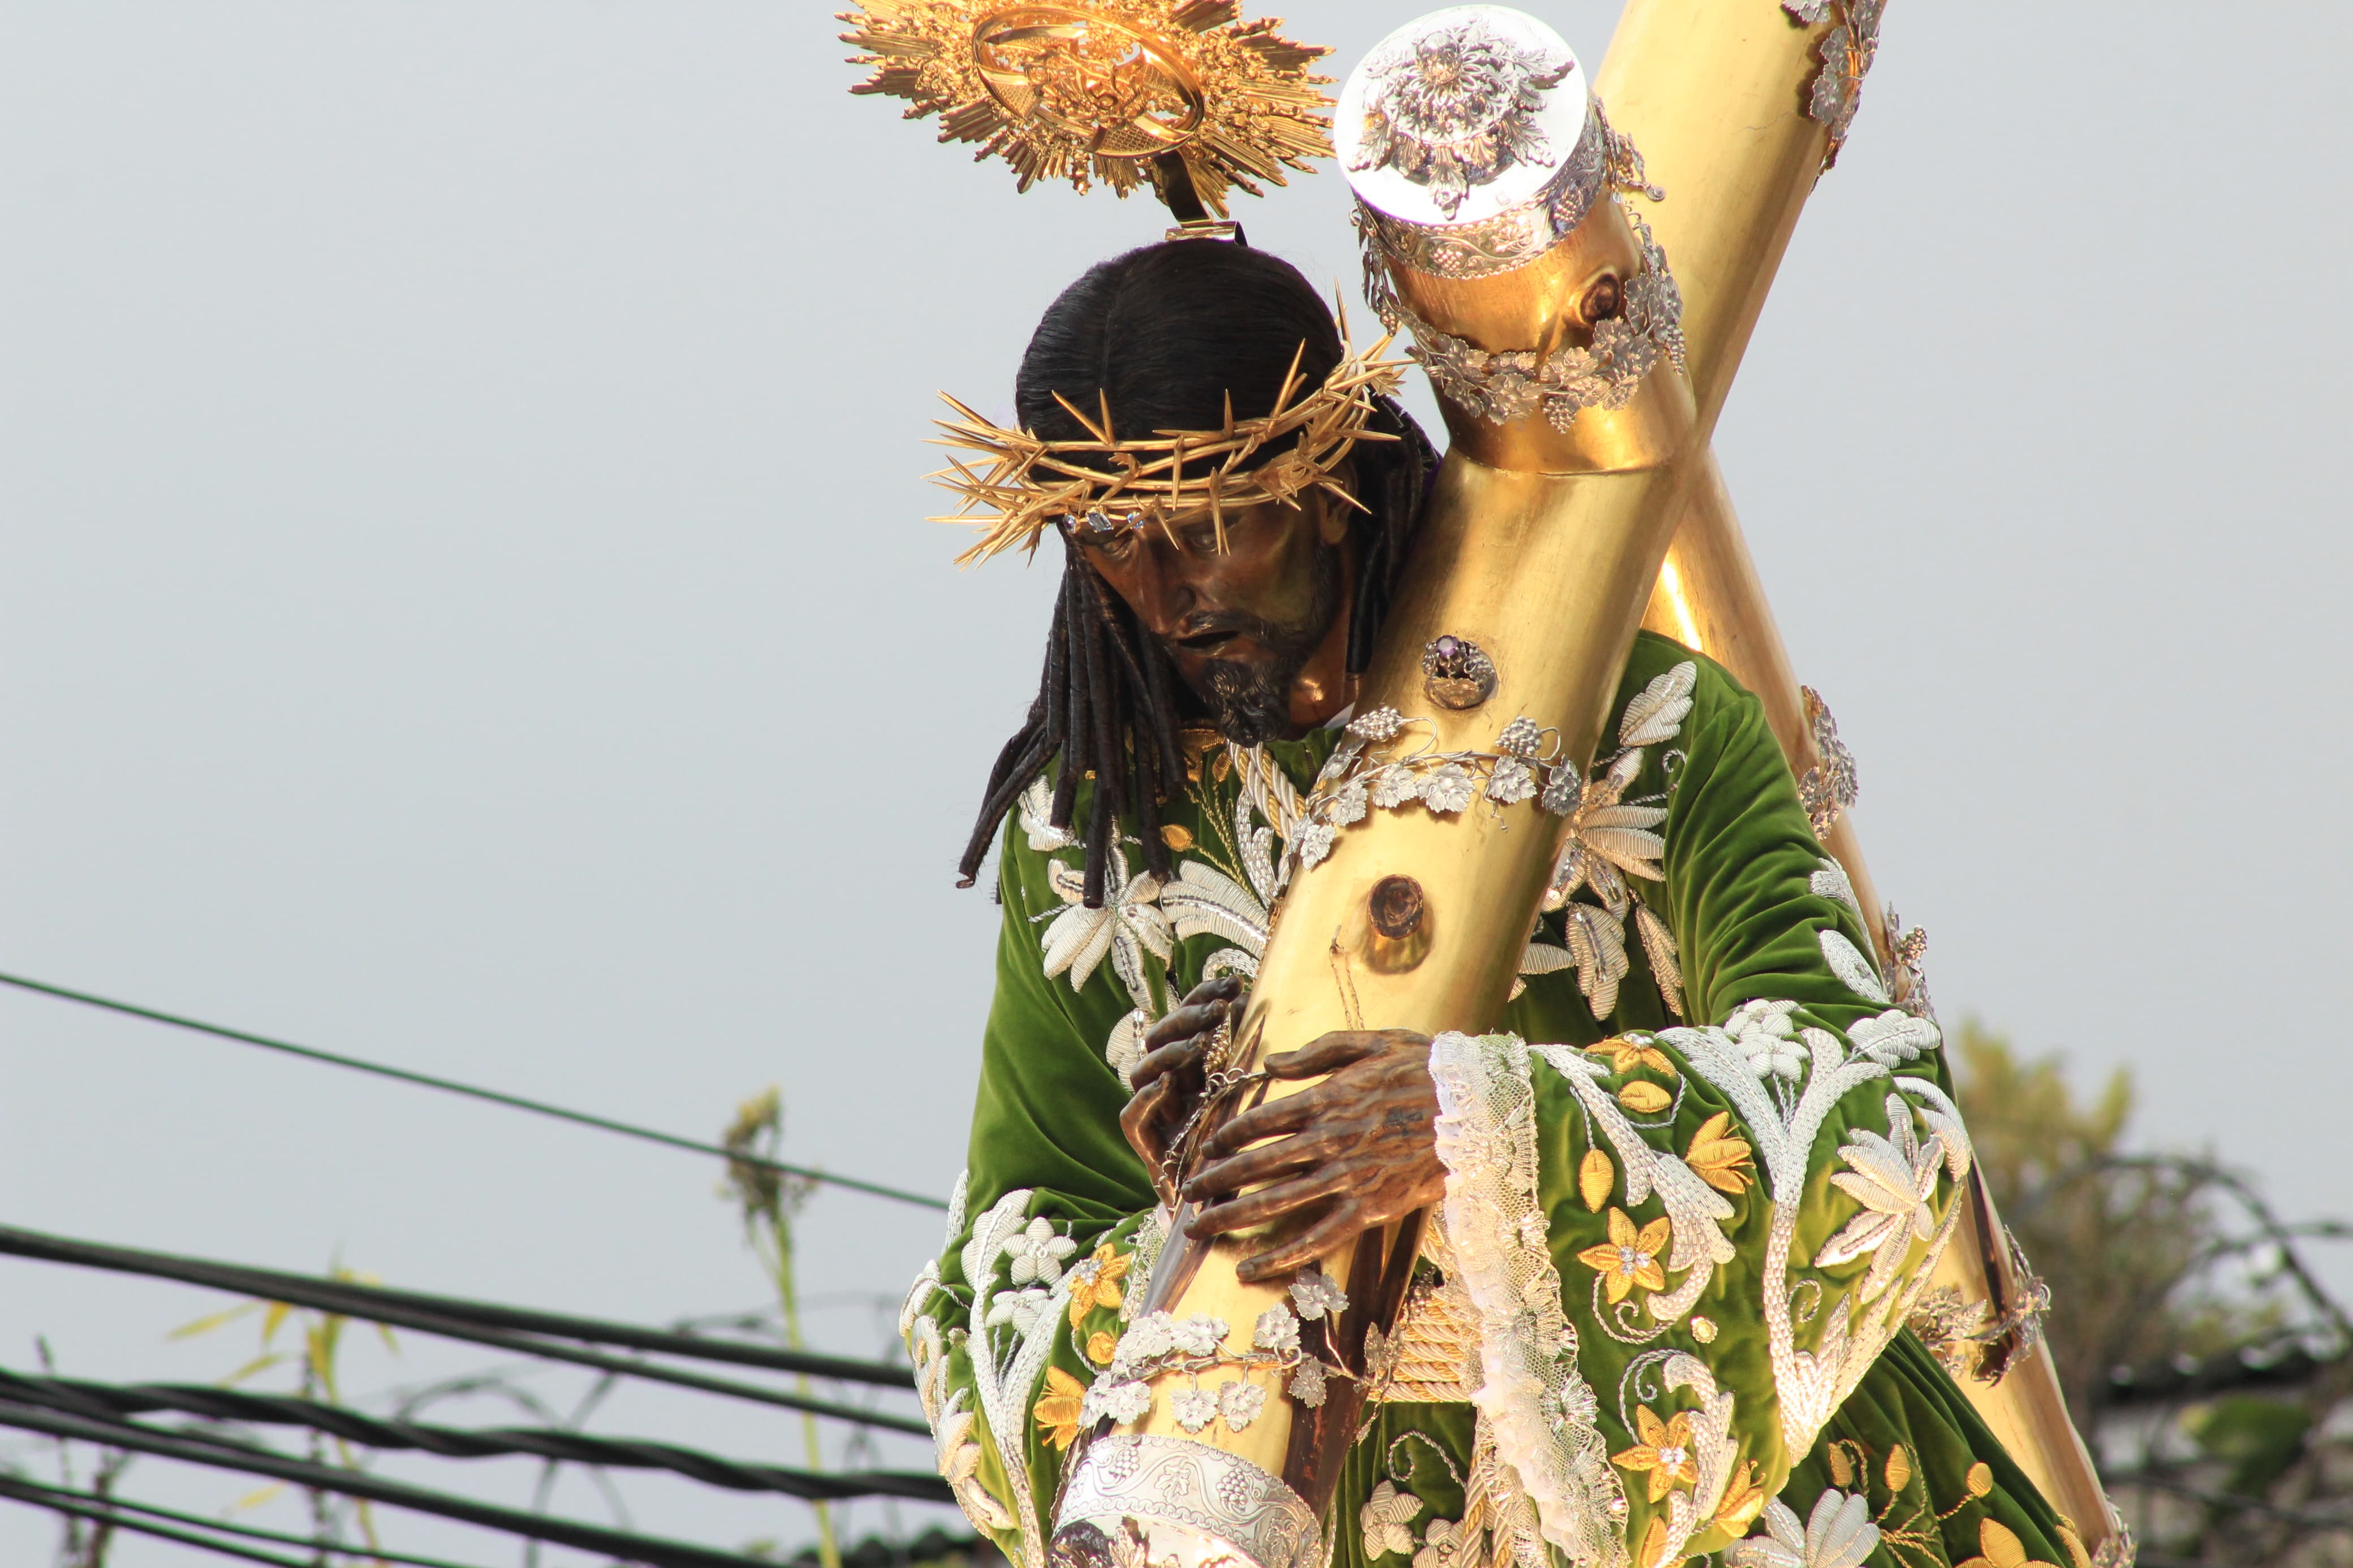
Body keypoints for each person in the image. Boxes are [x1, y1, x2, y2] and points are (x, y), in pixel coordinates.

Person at [903, 236, 2097, 1568]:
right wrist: (1201, 1205)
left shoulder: (1639, 728)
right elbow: (996, 1294)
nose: (1165, 594)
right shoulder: (1097, 839)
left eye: (1212, 524)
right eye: (1112, 540)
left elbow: (1875, 1112)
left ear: (1327, 481)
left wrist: (1471, 1127)